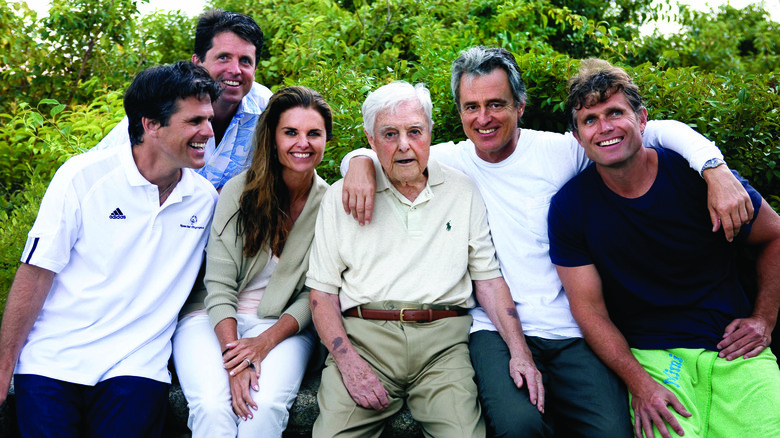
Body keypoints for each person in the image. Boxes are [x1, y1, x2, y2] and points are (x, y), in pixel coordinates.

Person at [340, 47, 754, 437]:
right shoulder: (448, 161)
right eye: (472, 107)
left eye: (496, 104)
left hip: (573, 327)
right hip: (494, 329)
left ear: (519, 106)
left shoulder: (561, 151)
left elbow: (654, 130)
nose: (484, 118)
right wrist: (358, 160)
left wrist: (714, 167)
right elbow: (391, 148)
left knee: (612, 429)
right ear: (460, 113)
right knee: (519, 427)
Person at [548, 59, 780, 438]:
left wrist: (763, 320)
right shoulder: (570, 208)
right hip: (653, 359)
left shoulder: (700, 178)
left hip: (734, 351)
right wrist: (638, 385)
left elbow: (775, 235)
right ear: (577, 137)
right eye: (590, 119)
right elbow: (589, 311)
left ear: (642, 120)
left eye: (615, 113)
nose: (604, 127)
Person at [307, 81, 543, 438]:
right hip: (364, 342)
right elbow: (322, 294)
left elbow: (489, 281)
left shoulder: (463, 190)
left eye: (414, 131)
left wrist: (519, 350)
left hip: (443, 347)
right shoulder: (342, 197)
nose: (404, 145)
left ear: (429, 133)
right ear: (371, 140)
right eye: (389, 134)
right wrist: (348, 363)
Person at [0, 61, 220, 437]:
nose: (208, 131)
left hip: (136, 365)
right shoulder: (82, 176)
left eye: (209, 119)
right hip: (53, 358)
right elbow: (36, 273)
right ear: (150, 124)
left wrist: (359, 158)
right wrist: (3, 369)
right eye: (194, 121)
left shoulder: (205, 200)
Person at [171, 86, 332, 437]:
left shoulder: (332, 205)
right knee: (213, 407)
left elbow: (316, 293)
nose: (302, 143)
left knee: (262, 408)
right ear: (272, 138)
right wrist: (236, 358)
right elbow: (219, 284)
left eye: (313, 133)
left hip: (283, 326)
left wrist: (261, 345)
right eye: (290, 132)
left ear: (326, 139)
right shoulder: (239, 192)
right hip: (211, 318)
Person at [96, 8, 273, 190]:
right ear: (197, 63)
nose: (235, 70)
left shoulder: (267, 108)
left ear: (255, 69)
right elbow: (99, 168)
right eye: (223, 57)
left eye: (245, 61)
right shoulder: (163, 102)